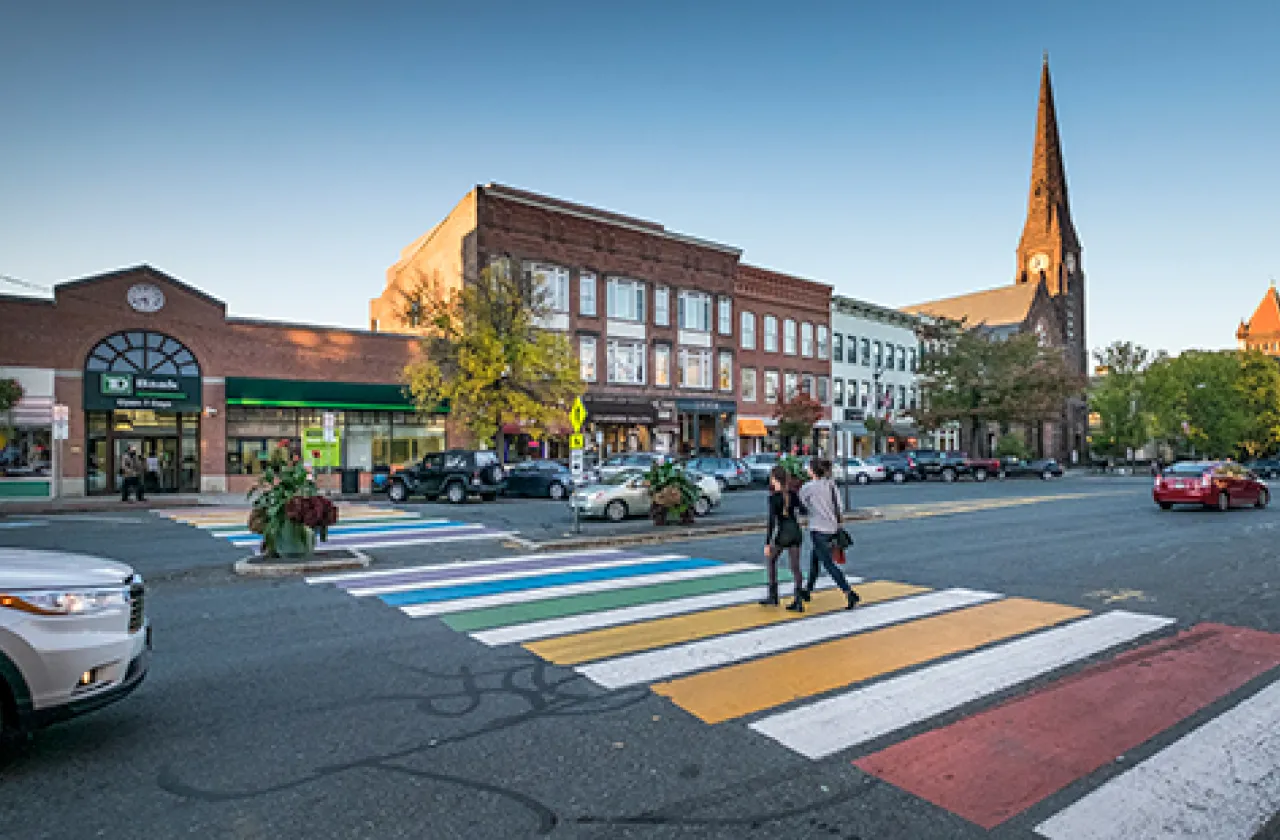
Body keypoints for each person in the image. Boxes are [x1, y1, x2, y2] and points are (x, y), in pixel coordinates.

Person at [797, 458, 859, 609]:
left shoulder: (808, 487)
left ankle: (849, 592)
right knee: (815, 559)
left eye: (809, 468)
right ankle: (808, 590)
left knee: (828, 564)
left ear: (812, 471)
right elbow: (840, 507)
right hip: (832, 528)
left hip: (818, 529)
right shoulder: (831, 485)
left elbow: (801, 504)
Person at [760, 465, 806, 611]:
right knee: (795, 567)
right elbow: (804, 510)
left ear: (775, 479)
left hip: (783, 533)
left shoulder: (773, 498)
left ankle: (773, 596)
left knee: (772, 560)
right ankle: (798, 600)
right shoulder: (792, 494)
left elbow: (771, 523)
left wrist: (767, 543)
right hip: (796, 532)